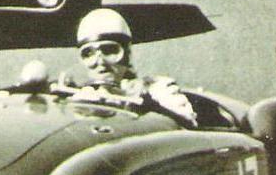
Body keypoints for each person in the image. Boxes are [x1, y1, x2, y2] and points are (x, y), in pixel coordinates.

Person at [70, 9, 198, 125]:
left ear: (128, 54)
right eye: (88, 54)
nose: (100, 62)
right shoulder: (81, 97)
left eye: (109, 50)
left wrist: (146, 103)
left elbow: (187, 123)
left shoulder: (158, 89)